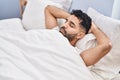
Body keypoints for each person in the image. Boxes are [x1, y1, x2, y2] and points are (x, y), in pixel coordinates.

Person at [44, 5, 112, 66]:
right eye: (66, 21)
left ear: (80, 35)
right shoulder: (54, 33)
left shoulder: (78, 56)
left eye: (71, 25)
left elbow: (106, 45)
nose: (64, 25)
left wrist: (94, 29)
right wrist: (72, 18)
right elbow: (49, 9)